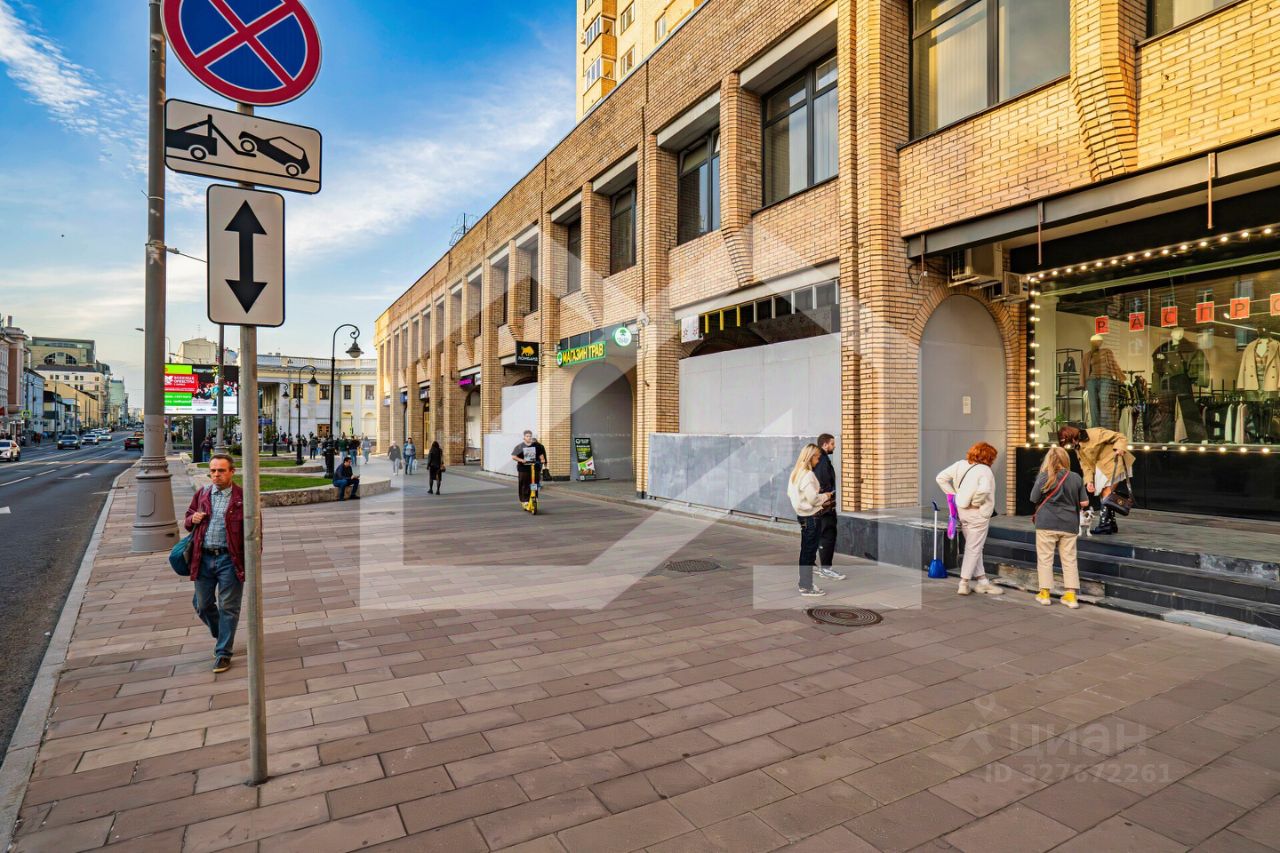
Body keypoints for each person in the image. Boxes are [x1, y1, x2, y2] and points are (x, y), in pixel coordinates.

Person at [183, 454, 246, 673]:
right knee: (202, 605)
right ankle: (223, 636)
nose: (216, 475)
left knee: (229, 607)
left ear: (232, 472)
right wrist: (192, 519)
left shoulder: (242, 498)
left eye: (221, 470)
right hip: (203, 557)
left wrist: (251, 562)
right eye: (213, 471)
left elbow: (254, 533)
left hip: (230, 559)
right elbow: (188, 519)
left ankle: (223, 653)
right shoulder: (203, 494)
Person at [936, 442, 1004, 596]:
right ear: (989, 457)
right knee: (973, 548)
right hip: (977, 513)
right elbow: (984, 490)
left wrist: (955, 496)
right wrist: (976, 502)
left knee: (975, 547)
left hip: (962, 512)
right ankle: (964, 582)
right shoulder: (985, 470)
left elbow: (940, 478)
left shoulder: (960, 465)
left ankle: (982, 581)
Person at [1030, 446, 1090, 609]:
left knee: (1045, 559)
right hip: (1069, 523)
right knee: (1069, 559)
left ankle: (1044, 594)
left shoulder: (1044, 476)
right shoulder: (1075, 477)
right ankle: (1071, 596)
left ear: (1048, 460)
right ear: (1066, 460)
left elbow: (1033, 498)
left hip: (1046, 523)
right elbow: (1085, 502)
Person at [1057, 425, 1135, 535]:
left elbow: (1119, 436)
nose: (1071, 444)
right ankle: (1110, 524)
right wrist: (1089, 481)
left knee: (1106, 494)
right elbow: (1085, 465)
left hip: (1114, 462)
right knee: (1105, 495)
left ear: (1072, 436)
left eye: (1069, 441)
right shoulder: (1078, 447)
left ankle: (1105, 525)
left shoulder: (1094, 433)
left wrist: (1120, 448)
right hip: (1102, 467)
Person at [787, 443, 832, 597]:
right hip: (812, 517)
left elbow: (790, 493)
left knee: (805, 551)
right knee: (809, 553)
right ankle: (806, 586)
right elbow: (813, 499)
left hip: (802, 516)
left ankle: (805, 584)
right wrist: (826, 496)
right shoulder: (808, 475)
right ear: (810, 457)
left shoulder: (796, 473)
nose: (818, 461)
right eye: (817, 457)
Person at [811, 433, 846, 582]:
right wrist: (828, 500)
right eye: (832, 444)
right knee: (827, 536)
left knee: (818, 535)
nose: (834, 446)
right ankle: (826, 569)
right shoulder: (822, 461)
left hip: (819, 506)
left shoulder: (817, 459)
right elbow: (824, 484)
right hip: (825, 507)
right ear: (825, 444)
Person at [510, 431, 547, 507]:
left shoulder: (536, 446)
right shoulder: (519, 446)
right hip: (523, 469)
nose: (529, 437)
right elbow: (514, 456)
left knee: (534, 483)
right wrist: (521, 460)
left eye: (530, 436)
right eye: (527, 436)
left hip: (535, 467)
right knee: (524, 484)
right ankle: (525, 500)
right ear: (524, 437)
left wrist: (542, 459)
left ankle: (534, 497)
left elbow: (541, 454)